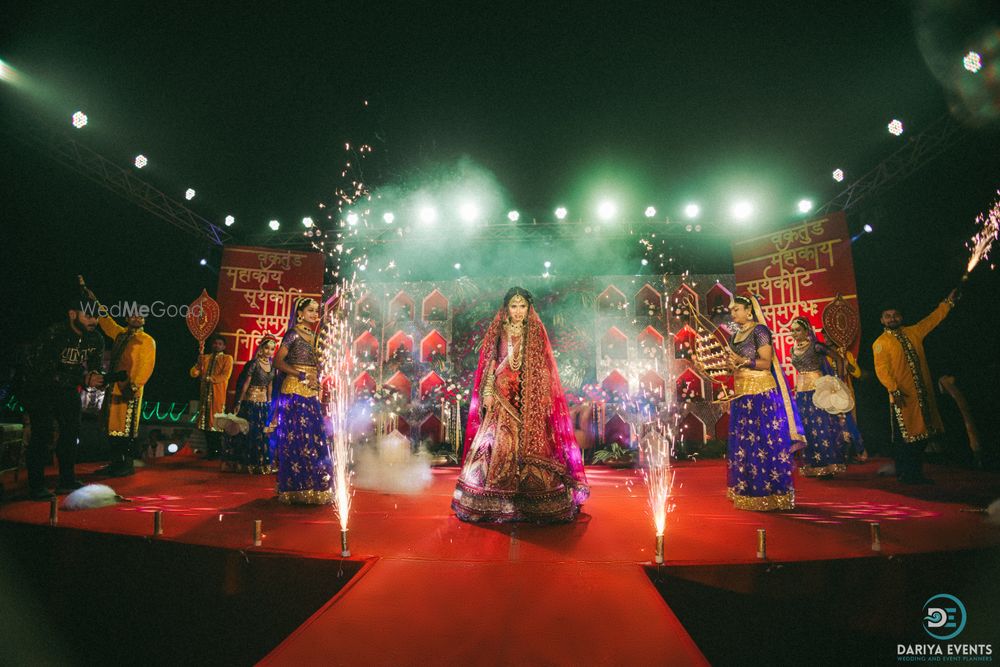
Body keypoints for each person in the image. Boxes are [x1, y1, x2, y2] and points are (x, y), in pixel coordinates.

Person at [452, 287, 589, 523]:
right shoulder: (499, 331)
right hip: (501, 396)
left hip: (529, 399)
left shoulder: (535, 331)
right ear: (507, 308)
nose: (518, 311)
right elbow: (490, 363)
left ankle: (532, 501)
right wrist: (487, 392)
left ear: (528, 308)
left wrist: (542, 395)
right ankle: (494, 501)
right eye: (513, 306)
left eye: (522, 306)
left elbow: (545, 367)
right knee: (496, 444)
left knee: (535, 445)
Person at [22, 289, 105, 499]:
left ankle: (66, 481)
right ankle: (36, 486)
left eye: (96, 316)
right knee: (43, 434)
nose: (93, 321)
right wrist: (83, 379)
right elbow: (43, 370)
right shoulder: (54, 334)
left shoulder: (95, 339)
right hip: (38, 387)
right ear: (72, 314)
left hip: (67, 389)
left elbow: (94, 366)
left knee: (71, 431)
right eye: (88, 315)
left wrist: (96, 377)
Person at [724, 295, 802, 511]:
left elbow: (765, 363)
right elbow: (734, 367)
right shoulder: (734, 336)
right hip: (741, 395)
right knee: (744, 444)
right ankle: (747, 491)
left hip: (761, 394)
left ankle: (771, 493)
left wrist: (743, 361)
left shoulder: (760, 331)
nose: (733, 313)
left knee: (763, 442)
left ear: (749, 310)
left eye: (737, 309)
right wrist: (726, 367)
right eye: (731, 310)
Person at [872, 290, 957, 484]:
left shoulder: (914, 332)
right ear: (882, 320)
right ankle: (907, 474)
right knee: (906, 438)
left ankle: (911, 473)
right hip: (902, 397)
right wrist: (894, 389)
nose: (892, 318)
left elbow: (932, 319)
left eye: (895, 315)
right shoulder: (881, 343)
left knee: (923, 436)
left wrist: (948, 303)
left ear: (900, 317)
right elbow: (882, 370)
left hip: (923, 396)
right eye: (888, 316)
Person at [81, 282, 156, 477]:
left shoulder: (147, 340)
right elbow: (106, 322)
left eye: (140, 315)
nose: (137, 317)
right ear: (127, 318)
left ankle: (126, 465)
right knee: (111, 429)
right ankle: (115, 463)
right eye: (133, 314)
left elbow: (146, 366)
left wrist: (134, 385)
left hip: (129, 390)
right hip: (113, 388)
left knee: (126, 430)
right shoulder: (121, 334)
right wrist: (94, 301)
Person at [272, 298, 332, 504]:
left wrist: (316, 380)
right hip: (294, 392)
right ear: (300, 313)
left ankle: (315, 487)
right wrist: (300, 375)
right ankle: (295, 487)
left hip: (310, 391)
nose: (315, 314)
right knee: (298, 438)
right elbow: (277, 362)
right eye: (310, 310)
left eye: (317, 311)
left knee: (315, 438)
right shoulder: (293, 334)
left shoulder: (314, 336)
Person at [788, 317, 861, 477]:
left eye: (798, 330)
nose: (794, 333)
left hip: (817, 390)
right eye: (792, 330)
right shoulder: (792, 350)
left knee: (821, 426)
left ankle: (829, 464)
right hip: (801, 392)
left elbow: (839, 359)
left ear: (807, 331)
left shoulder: (816, 346)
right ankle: (813, 464)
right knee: (806, 427)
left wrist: (839, 380)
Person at [225, 336, 277, 474]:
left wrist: (270, 403)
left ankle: (259, 464)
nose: (269, 351)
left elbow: (270, 385)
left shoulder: (273, 367)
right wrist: (239, 402)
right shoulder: (254, 363)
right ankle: (244, 463)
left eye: (272, 349)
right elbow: (245, 384)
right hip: (250, 402)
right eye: (266, 348)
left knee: (261, 434)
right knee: (248, 432)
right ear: (261, 348)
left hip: (263, 404)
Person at [190, 335, 233, 459]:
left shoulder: (227, 358)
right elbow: (194, 372)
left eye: (220, 344)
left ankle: (217, 452)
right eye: (215, 343)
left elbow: (225, 375)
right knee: (204, 425)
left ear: (224, 346)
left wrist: (210, 379)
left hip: (217, 395)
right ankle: (210, 451)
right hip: (205, 396)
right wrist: (198, 365)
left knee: (216, 424)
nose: (217, 346)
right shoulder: (205, 357)